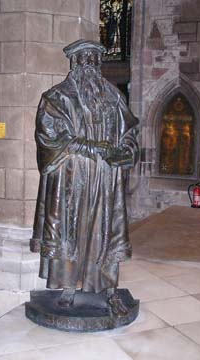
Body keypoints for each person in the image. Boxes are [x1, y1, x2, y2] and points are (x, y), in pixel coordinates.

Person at [30, 39, 139, 314]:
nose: (89, 62)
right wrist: (88, 147)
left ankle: (110, 289)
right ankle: (68, 286)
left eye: (94, 57)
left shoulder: (114, 97)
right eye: (83, 58)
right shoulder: (56, 98)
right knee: (71, 231)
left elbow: (129, 135)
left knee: (105, 232)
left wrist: (125, 151)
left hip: (104, 178)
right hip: (72, 177)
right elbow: (49, 136)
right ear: (73, 62)